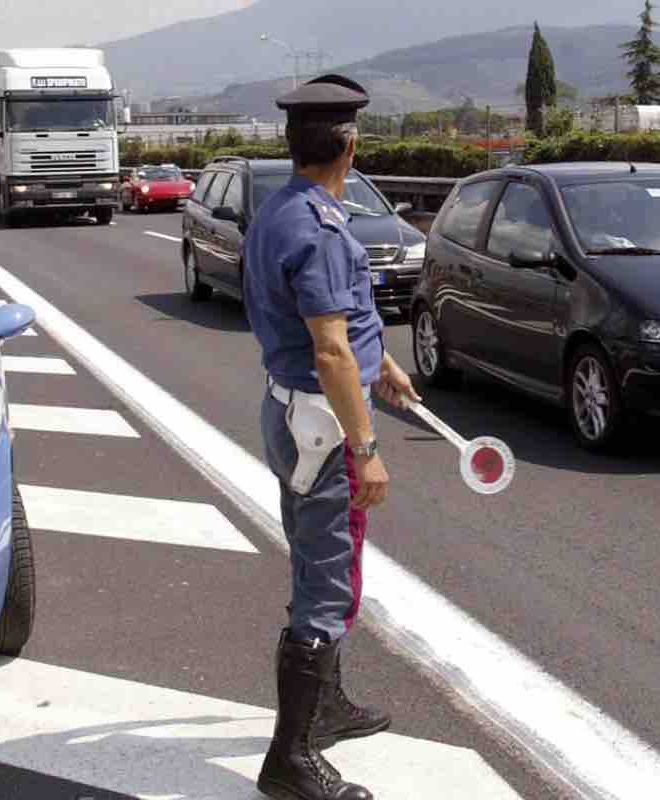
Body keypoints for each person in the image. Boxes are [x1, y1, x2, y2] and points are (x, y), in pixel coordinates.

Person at [243, 74, 421, 800]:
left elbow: (339, 336)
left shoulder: (282, 210)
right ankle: (290, 760)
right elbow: (329, 350)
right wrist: (367, 447)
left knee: (318, 565)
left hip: (292, 411)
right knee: (328, 582)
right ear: (349, 145)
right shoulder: (320, 230)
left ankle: (329, 709)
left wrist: (382, 367)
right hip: (322, 425)